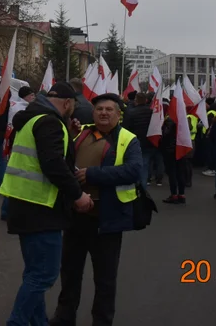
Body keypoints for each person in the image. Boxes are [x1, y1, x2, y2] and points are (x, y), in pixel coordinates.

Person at [2, 82, 93, 326]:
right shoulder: (50, 123)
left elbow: (49, 154)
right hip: (41, 208)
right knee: (43, 275)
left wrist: (70, 136)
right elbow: (53, 164)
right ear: (67, 103)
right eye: (73, 106)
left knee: (35, 273)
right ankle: (17, 322)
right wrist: (78, 195)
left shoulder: (35, 118)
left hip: (25, 205)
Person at [51, 93, 143, 326]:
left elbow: (133, 171)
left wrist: (92, 174)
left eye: (109, 109)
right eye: (99, 109)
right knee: (70, 272)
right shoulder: (80, 133)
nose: (104, 113)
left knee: (105, 278)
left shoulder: (128, 139)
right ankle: (64, 317)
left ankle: (102, 321)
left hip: (107, 220)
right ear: (93, 112)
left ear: (118, 114)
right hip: (75, 216)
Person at [1, 86, 36, 222]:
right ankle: (7, 210)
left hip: (16, 149)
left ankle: (7, 210)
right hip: (19, 150)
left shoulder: (16, 107)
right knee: (14, 181)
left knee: (13, 180)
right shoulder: (22, 110)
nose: (33, 97)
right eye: (31, 95)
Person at [122, 93, 153, 185]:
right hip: (148, 142)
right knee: (145, 165)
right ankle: (143, 186)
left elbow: (125, 128)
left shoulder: (131, 112)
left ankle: (136, 186)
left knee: (133, 164)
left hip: (134, 142)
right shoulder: (151, 112)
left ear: (136, 101)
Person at [159, 100, 184, 204]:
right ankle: (181, 195)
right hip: (181, 148)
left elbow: (166, 135)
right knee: (180, 172)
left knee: (172, 173)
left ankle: (174, 194)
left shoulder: (170, 120)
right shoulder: (183, 119)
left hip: (170, 150)